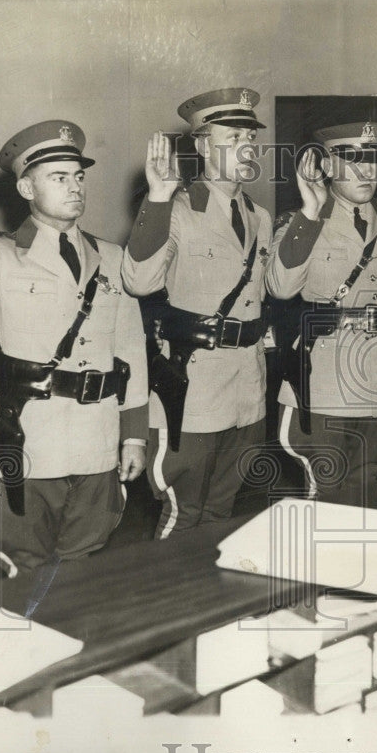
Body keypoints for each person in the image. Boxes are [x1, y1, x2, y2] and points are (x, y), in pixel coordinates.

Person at [0, 103, 148, 577]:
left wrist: (134, 436)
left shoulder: (111, 259)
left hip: (97, 444)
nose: (74, 186)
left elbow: (130, 350)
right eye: (58, 177)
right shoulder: (0, 257)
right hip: (27, 446)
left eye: (78, 176)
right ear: (26, 188)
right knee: (22, 574)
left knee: (84, 572)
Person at [121, 88, 272, 536]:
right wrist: (158, 199)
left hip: (248, 387)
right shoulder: (178, 210)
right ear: (203, 145)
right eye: (232, 136)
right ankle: (171, 604)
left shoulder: (260, 217)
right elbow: (139, 281)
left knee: (224, 514)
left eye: (250, 135)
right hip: (193, 389)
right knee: (181, 513)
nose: (247, 146)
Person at [266, 121, 377, 505]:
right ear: (326, 166)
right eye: (352, 160)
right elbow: (280, 287)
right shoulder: (300, 220)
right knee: (324, 493)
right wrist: (310, 213)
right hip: (324, 380)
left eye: (373, 160)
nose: (367, 171)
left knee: (366, 490)